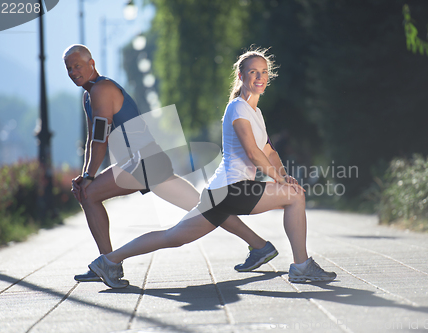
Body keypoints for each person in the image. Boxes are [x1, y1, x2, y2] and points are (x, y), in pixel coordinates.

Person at [87, 47, 337, 289]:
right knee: (295, 197)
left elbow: (270, 152)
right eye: (253, 72)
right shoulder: (237, 108)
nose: (259, 77)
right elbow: (253, 152)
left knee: (173, 237)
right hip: (232, 189)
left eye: (263, 72)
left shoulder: (255, 112)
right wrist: (282, 183)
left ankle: (108, 260)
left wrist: (284, 176)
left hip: (220, 193)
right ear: (241, 76)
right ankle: (302, 266)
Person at [63, 44, 278, 283]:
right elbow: (94, 138)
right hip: (148, 161)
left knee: (89, 194)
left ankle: (108, 263)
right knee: (206, 207)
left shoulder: (101, 90)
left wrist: (88, 178)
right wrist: (86, 173)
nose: (73, 72)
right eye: (69, 68)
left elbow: (99, 140)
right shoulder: (90, 93)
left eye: (78, 66)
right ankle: (259, 246)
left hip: (141, 163)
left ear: (91, 64)